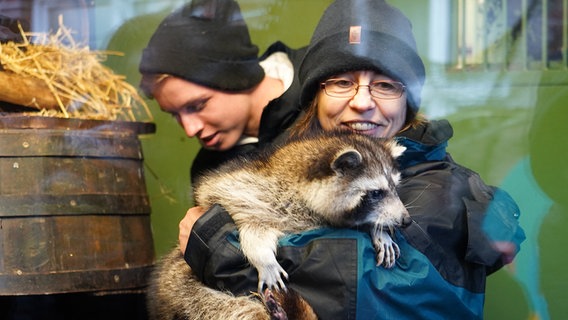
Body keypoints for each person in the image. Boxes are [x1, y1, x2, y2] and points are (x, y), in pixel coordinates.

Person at [178, 0, 526, 319]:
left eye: (386, 85)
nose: (362, 102)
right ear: (316, 98)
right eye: (342, 82)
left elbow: (369, 293)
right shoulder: (295, 164)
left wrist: (217, 245)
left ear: (407, 103)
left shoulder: (439, 189)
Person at [139, 0, 306, 186]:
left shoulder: (328, 93)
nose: (190, 129)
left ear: (235, 77)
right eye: (174, 114)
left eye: (197, 106)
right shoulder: (209, 171)